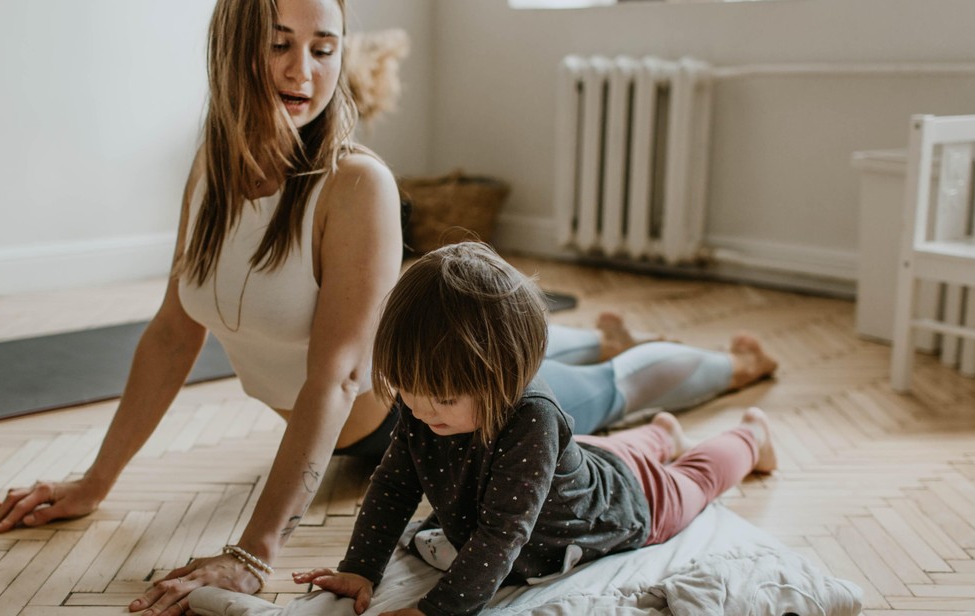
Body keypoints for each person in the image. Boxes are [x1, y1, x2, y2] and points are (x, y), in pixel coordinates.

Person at [0, 1, 776, 614]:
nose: (304, 70)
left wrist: (255, 553)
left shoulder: (354, 184)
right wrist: (94, 484)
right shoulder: (210, 174)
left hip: (426, 412)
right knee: (551, 352)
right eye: (280, 41)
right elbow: (169, 335)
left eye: (324, 48)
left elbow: (335, 379)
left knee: (609, 391)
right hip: (427, 379)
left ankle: (730, 367)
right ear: (232, 44)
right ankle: (606, 363)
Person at [293, 242, 777, 616]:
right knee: (606, 453)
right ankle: (662, 434)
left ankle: (751, 437)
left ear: (505, 377)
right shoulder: (424, 405)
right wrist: (359, 568)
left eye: (441, 400)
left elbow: (503, 533)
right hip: (576, 463)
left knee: (694, 480)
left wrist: (439, 609)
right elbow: (395, 484)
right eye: (408, 392)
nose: (419, 411)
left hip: (625, 501)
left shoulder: (532, 419)